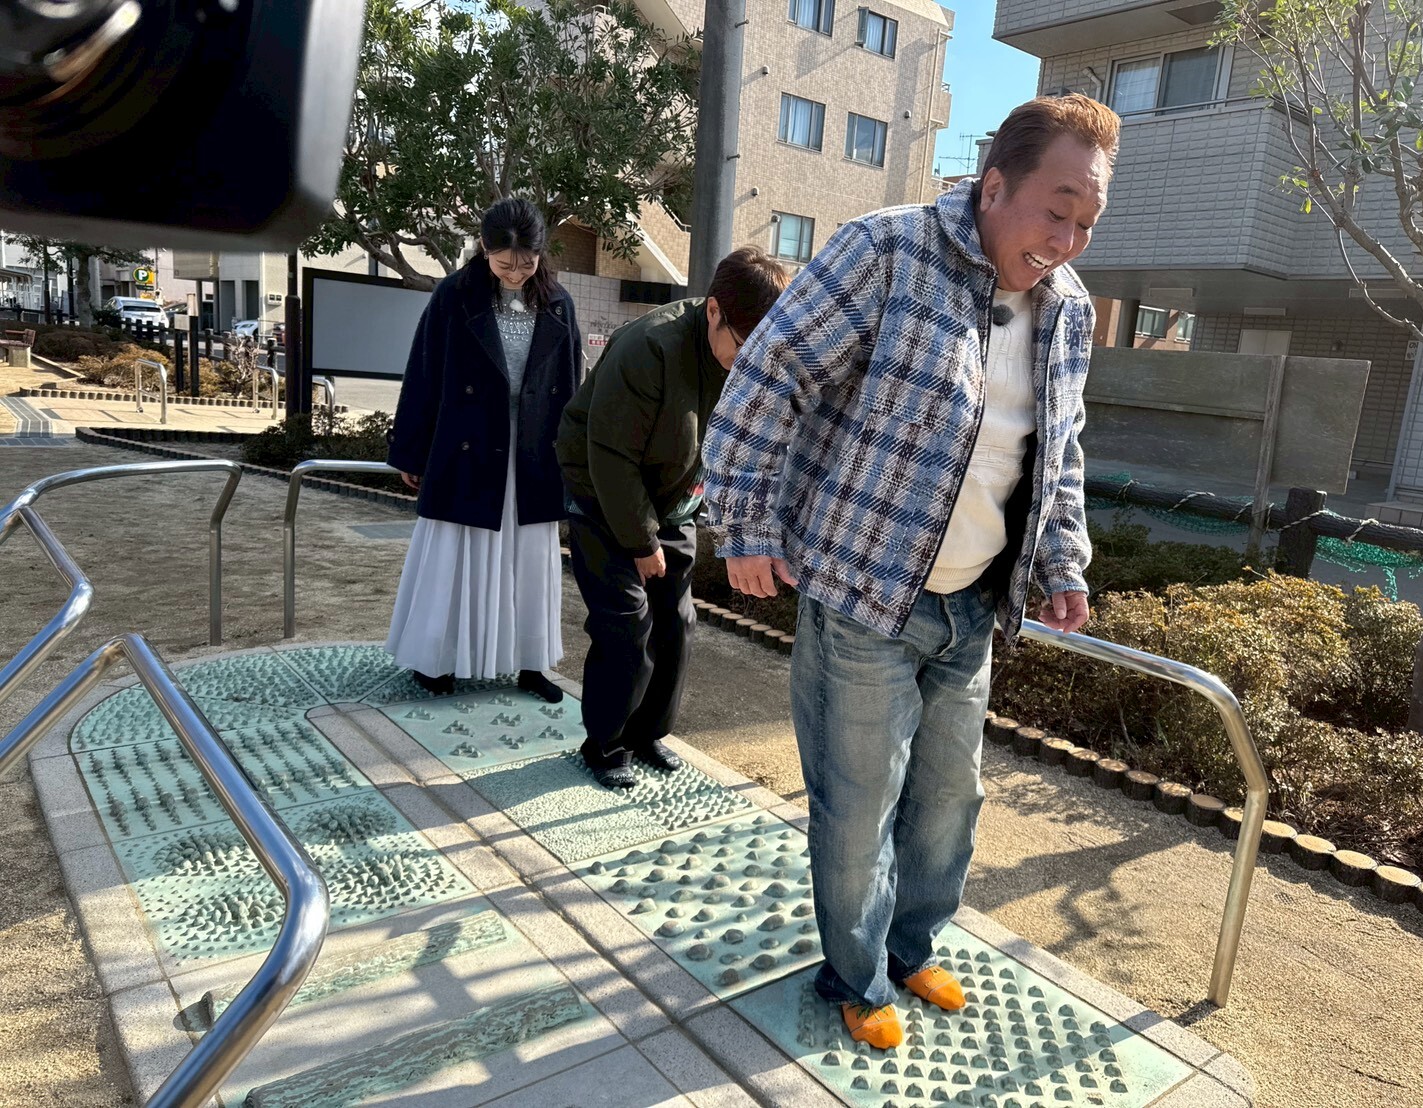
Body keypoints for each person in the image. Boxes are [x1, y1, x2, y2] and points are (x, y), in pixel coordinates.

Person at [701, 95, 1120, 1049]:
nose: (1065, 237)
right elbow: (769, 380)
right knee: (858, 806)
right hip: (864, 596)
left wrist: (1060, 559)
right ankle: (852, 974)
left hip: (971, 605)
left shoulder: (1067, 311)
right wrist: (747, 524)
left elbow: (1057, 450)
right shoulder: (886, 252)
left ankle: (910, 945)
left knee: (946, 800)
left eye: (1086, 223)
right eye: (1054, 209)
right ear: (995, 183)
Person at [556, 246, 790, 788]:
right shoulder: (649, 348)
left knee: (677, 622)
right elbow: (610, 456)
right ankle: (605, 742)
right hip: (602, 491)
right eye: (743, 344)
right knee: (626, 625)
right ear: (713, 311)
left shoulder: (753, 355)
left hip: (674, 497)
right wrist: (641, 543)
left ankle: (648, 733)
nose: (753, 358)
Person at [385, 197, 581, 702]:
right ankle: (436, 660)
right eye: (504, 261)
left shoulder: (558, 301)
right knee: (454, 554)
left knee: (532, 558)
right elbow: (423, 372)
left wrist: (576, 457)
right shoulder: (455, 294)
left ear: (541, 253)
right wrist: (412, 451)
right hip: (467, 443)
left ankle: (531, 663)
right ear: (484, 249)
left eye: (527, 261)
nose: (516, 272)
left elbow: (572, 386)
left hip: (534, 448)